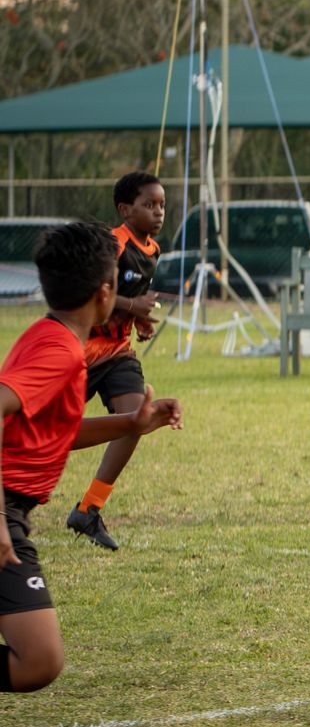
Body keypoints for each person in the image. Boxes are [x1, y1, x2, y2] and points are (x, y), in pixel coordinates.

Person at [2, 222, 183, 693]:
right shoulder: (60, 350)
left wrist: (130, 424)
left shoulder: (57, 339)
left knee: (40, 659)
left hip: (14, 509)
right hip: (4, 507)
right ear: (106, 293)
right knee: (37, 660)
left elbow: (53, 432)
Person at [66, 171, 167, 551]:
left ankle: (88, 508)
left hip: (117, 351)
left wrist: (136, 318)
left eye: (162, 205)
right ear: (125, 209)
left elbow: (123, 299)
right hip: (80, 349)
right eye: (149, 204)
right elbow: (91, 292)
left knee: (134, 420)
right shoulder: (112, 243)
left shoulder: (153, 250)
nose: (158, 212)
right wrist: (129, 305)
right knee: (43, 430)